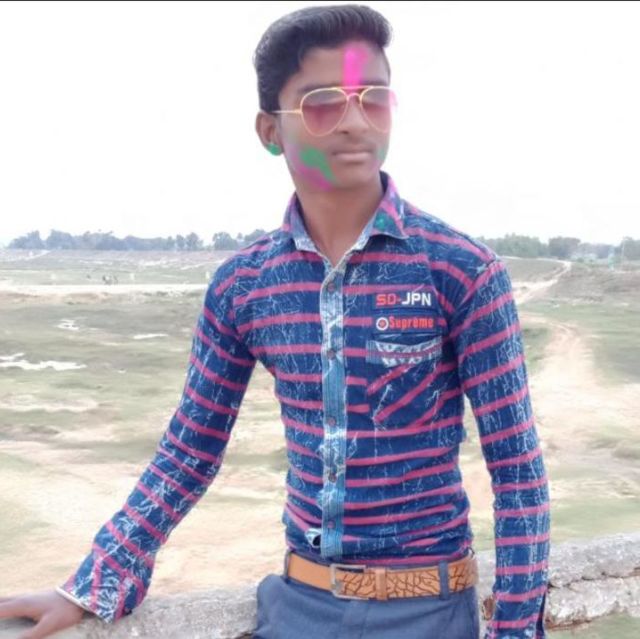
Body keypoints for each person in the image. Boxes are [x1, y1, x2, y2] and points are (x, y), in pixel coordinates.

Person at [0, 4, 549, 639]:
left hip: (429, 610)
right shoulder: (246, 285)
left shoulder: (460, 270)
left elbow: (517, 470)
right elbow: (190, 449)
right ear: (270, 130)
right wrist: (94, 582)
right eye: (323, 103)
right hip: (298, 608)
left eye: (373, 99)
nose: (355, 121)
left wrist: (515, 630)